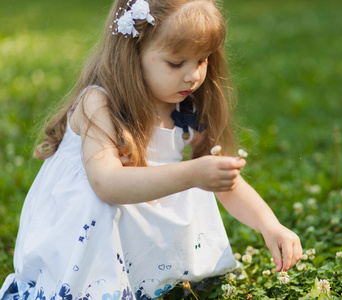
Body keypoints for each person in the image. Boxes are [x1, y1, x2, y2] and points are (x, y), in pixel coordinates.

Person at [0, 0, 302, 299]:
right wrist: (191, 173)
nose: (193, 76)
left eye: (202, 60)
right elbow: (107, 185)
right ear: (134, 53)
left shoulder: (187, 108)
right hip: (83, 232)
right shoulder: (99, 103)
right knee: (112, 202)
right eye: (176, 63)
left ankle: (150, 278)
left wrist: (269, 225)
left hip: (132, 218)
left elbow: (225, 182)